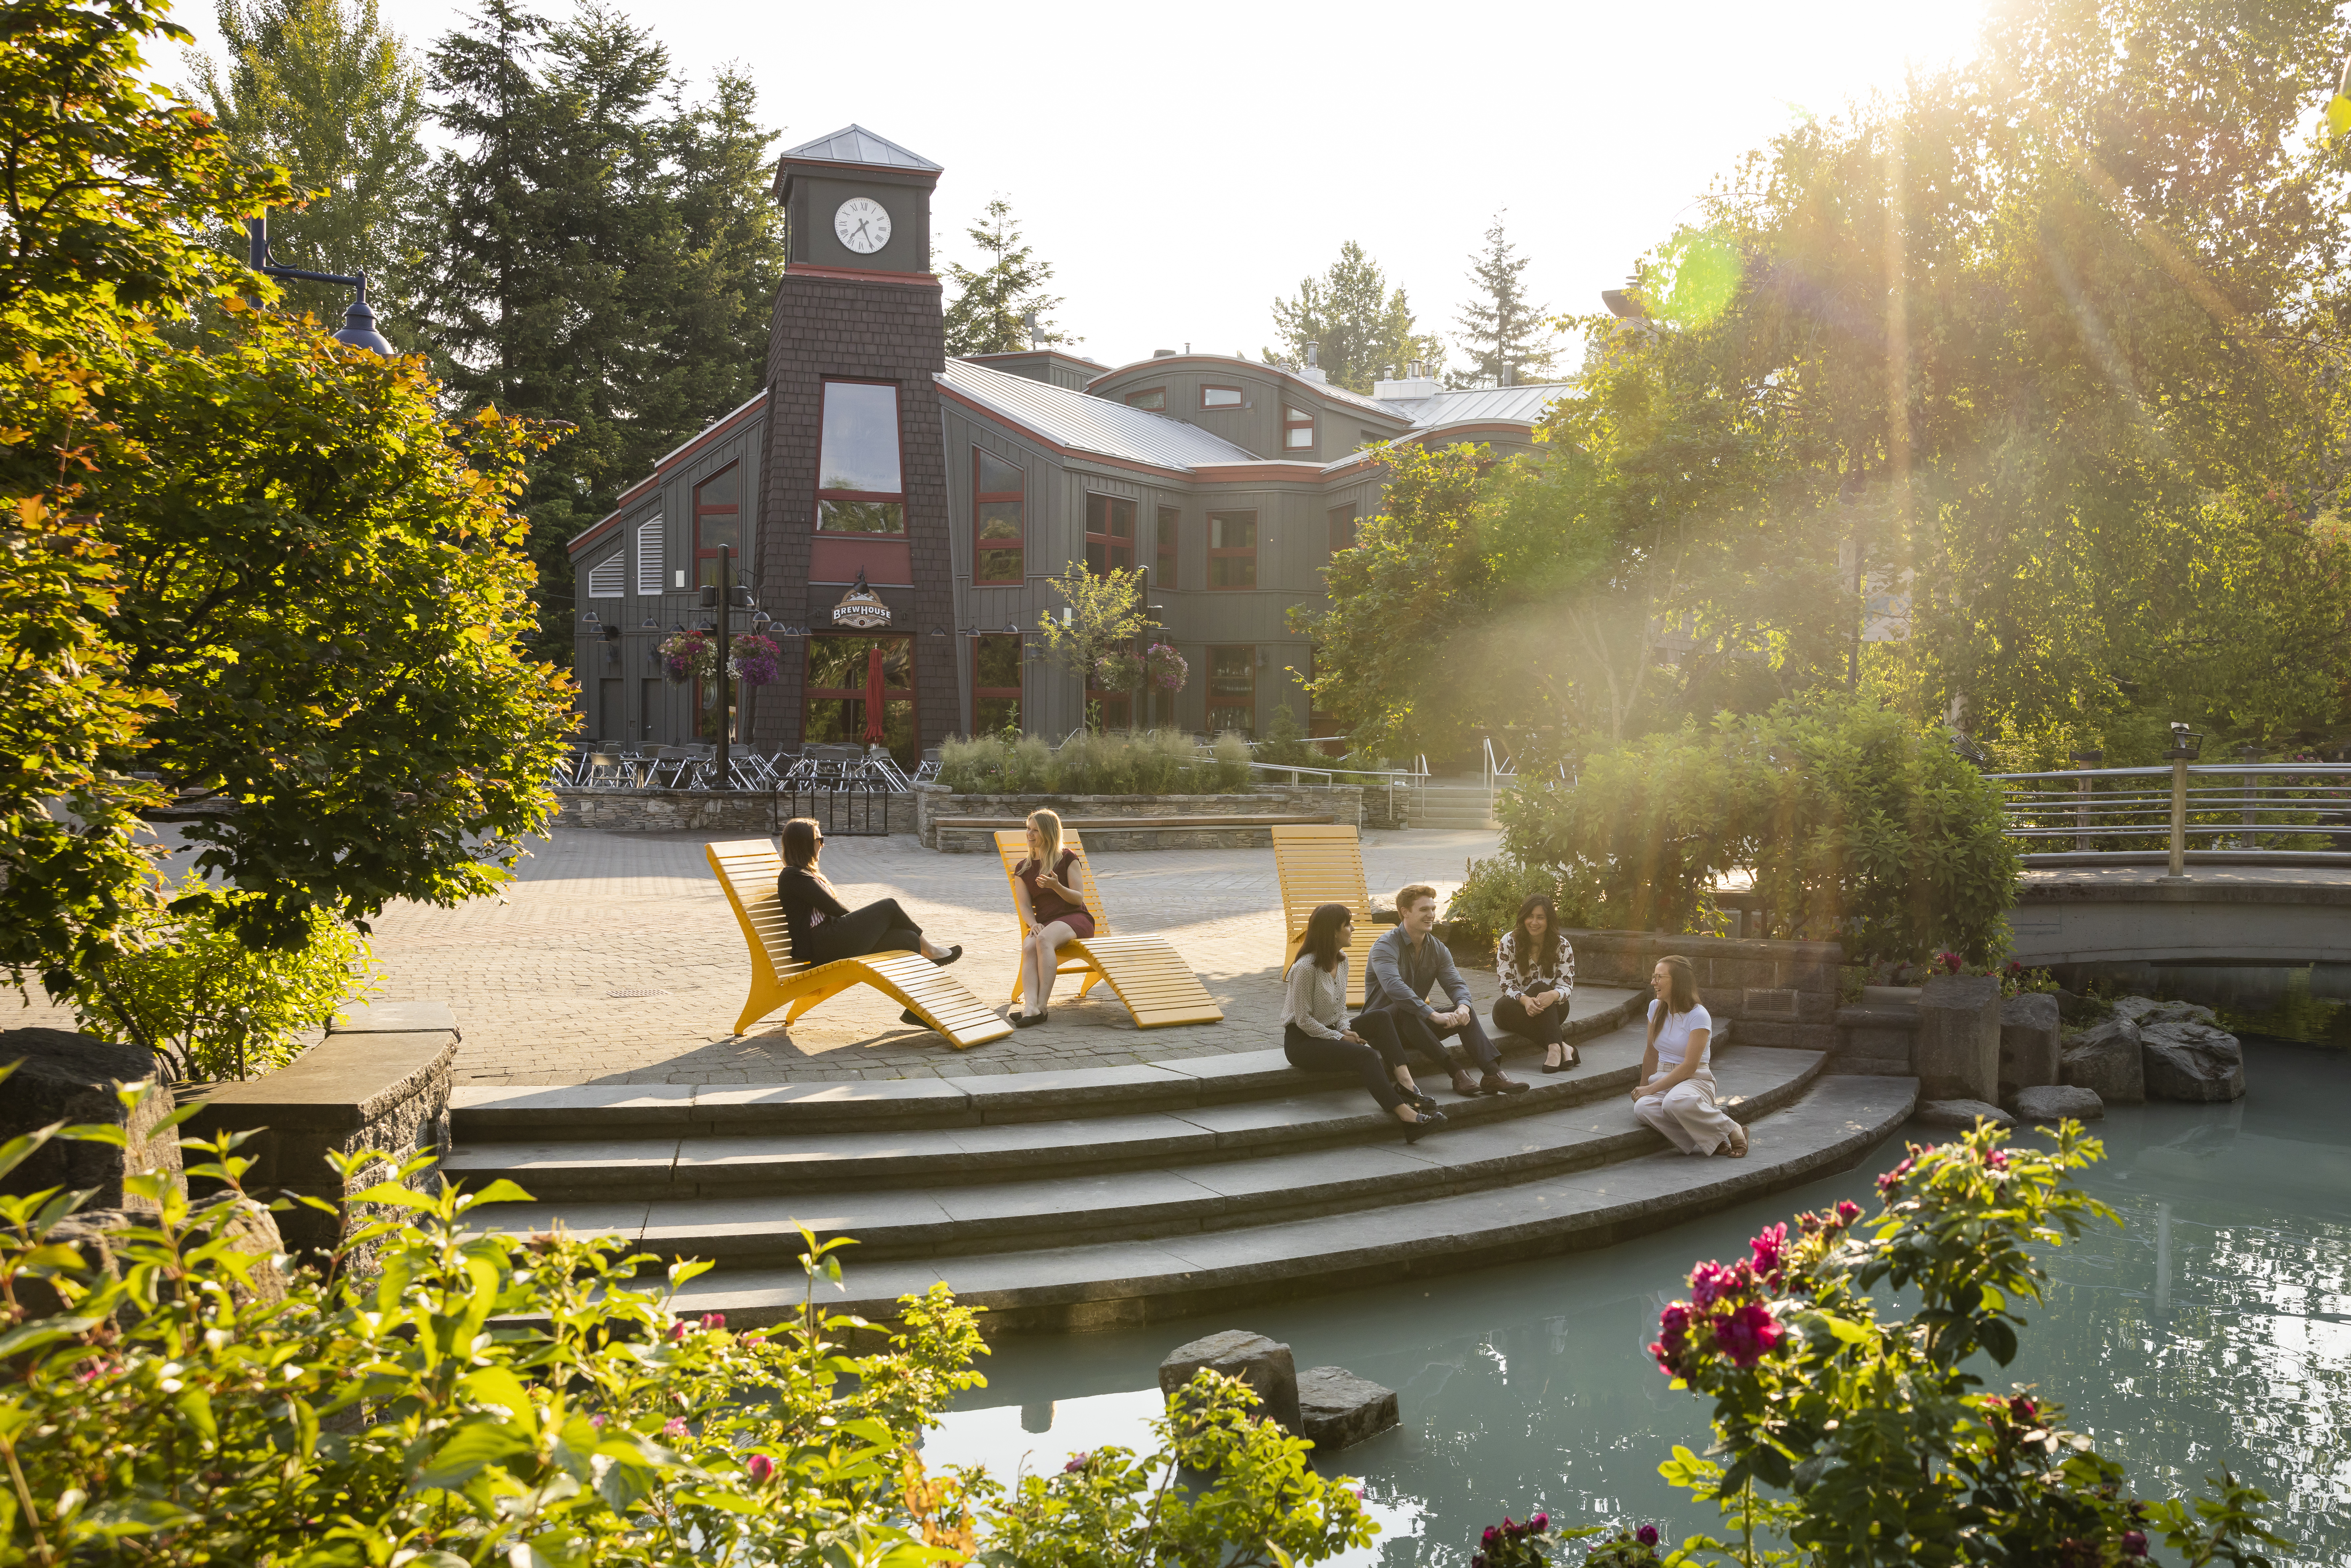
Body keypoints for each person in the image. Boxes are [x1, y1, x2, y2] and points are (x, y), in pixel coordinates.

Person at [774, 817, 961, 1027]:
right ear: (804, 843)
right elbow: (835, 910)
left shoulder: (804, 873)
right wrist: (869, 923)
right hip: (824, 945)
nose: (823, 844)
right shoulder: (793, 876)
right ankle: (931, 951)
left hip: (832, 939)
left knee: (907, 939)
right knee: (888, 907)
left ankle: (916, 1011)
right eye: (820, 839)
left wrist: (870, 926)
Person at [1283, 903, 1446, 1141]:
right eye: (1347, 925)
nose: (1353, 930)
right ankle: (1407, 1117)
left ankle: (1407, 1085)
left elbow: (1340, 1007)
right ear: (1332, 932)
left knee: (1381, 1017)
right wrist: (1341, 1037)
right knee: (1368, 1056)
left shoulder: (1342, 960)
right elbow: (1303, 1020)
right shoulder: (1305, 968)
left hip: (1331, 1031)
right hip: (1303, 1042)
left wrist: (1345, 1029)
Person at [1364, 883, 1527, 1097]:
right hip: (1381, 1029)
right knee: (1404, 1008)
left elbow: (1456, 984)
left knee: (1465, 1012)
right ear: (1405, 912)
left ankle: (1493, 1074)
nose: (1431, 915)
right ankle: (1456, 1072)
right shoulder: (1385, 946)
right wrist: (1431, 1015)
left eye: (1433, 909)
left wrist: (1463, 1007)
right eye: (1424, 910)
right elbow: (1395, 987)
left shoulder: (1438, 949)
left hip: (1414, 1026)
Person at [1631, 954, 1747, 1157]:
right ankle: (1711, 1138)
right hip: (1664, 1079)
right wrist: (1643, 1090)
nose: (1653, 982)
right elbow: (1651, 1053)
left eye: (1659, 977)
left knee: (1673, 1103)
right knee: (1642, 1109)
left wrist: (1651, 1088)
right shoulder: (1655, 1008)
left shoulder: (1698, 1015)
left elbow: (1690, 1066)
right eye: (1654, 976)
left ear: (1678, 982)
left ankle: (1732, 1128)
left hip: (1696, 1081)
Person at [1009, 808, 1092, 1027]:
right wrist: (1034, 924)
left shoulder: (1067, 858)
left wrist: (1057, 886)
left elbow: (1077, 899)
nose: (1030, 834)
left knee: (1043, 940)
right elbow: (1025, 905)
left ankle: (1042, 1008)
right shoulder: (1023, 869)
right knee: (1029, 946)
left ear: (1049, 833)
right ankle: (1030, 1007)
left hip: (1074, 918)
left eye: (1036, 830)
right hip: (1045, 923)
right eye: (1028, 829)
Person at [1495, 893, 1578, 1072]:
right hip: (1518, 1008)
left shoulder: (1562, 946)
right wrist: (1525, 1001)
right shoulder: (1509, 942)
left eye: (1540, 917)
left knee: (1542, 988)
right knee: (1501, 1009)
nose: (1534, 922)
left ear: (1549, 920)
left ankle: (1554, 1050)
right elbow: (1506, 984)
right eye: (1530, 917)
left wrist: (1553, 995)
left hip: (1553, 1008)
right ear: (1523, 918)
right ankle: (1562, 1047)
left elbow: (1566, 984)